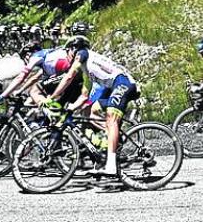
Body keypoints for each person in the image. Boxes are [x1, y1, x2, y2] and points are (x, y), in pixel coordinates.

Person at [47, 36, 138, 177]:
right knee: (93, 112)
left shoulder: (82, 53)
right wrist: (71, 108)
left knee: (110, 117)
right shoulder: (87, 72)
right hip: (117, 86)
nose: (67, 56)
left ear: (73, 48)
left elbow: (69, 76)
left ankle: (111, 166)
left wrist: (52, 98)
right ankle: (114, 138)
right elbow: (84, 96)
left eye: (67, 51)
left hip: (123, 83)